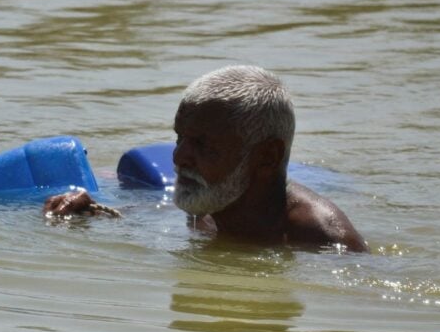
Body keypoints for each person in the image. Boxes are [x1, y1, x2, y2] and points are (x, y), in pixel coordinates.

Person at [43, 65, 369, 253]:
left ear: (267, 156)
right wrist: (95, 212)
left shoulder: (326, 241)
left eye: (203, 145)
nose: (178, 157)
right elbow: (160, 213)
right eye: (179, 138)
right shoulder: (211, 202)